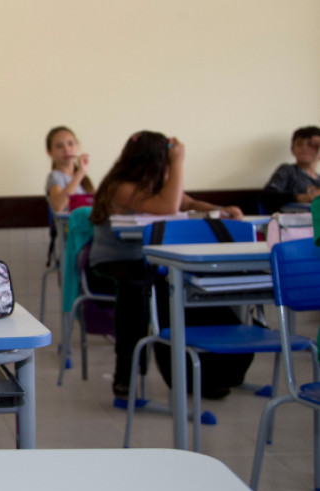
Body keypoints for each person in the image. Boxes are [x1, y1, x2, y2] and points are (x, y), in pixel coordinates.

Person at [87, 131, 244, 398]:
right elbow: (169, 206)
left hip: (147, 262)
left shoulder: (157, 183)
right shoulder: (120, 186)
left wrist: (221, 209)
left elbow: (187, 202)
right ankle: (125, 373)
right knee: (137, 289)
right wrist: (179, 163)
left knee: (181, 285)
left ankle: (206, 370)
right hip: (113, 263)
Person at [260, 125, 320, 213]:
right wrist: (300, 197)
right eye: (299, 144)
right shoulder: (288, 170)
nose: (304, 148)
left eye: (311, 145)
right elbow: (266, 196)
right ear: (292, 150)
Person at [45, 125, 95, 213]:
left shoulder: (83, 180)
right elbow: (58, 206)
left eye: (70, 144)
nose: (66, 149)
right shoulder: (55, 176)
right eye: (59, 146)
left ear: (77, 146)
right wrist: (80, 173)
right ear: (49, 152)